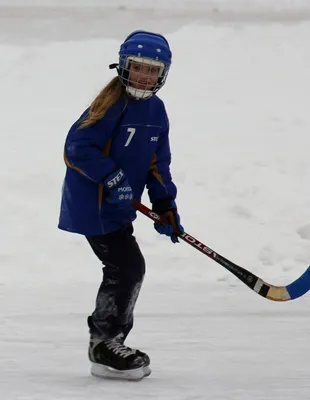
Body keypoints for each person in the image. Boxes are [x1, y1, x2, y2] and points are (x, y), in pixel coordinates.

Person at [58, 30, 184, 381]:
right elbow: (77, 148)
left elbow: (158, 162)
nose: (144, 77)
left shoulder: (156, 110)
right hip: (94, 206)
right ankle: (104, 343)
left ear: (163, 74)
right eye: (137, 68)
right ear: (123, 67)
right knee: (127, 268)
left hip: (119, 208)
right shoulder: (110, 106)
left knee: (127, 268)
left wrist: (165, 204)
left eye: (152, 71)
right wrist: (113, 179)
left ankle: (107, 342)